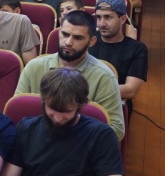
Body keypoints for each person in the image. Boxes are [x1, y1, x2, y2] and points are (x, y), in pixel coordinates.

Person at [16, 10, 124, 140]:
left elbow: (116, 129)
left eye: (78, 38)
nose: (68, 42)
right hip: (37, 141)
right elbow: (18, 111)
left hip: (81, 146)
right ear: (59, 32)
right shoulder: (34, 67)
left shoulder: (104, 77)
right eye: (65, 34)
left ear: (92, 41)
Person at [90, 0, 147, 102]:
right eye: (99, 17)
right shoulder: (88, 39)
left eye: (108, 17)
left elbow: (131, 90)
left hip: (115, 103)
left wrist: (89, 91)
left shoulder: (137, 49)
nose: (102, 24)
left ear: (122, 19)